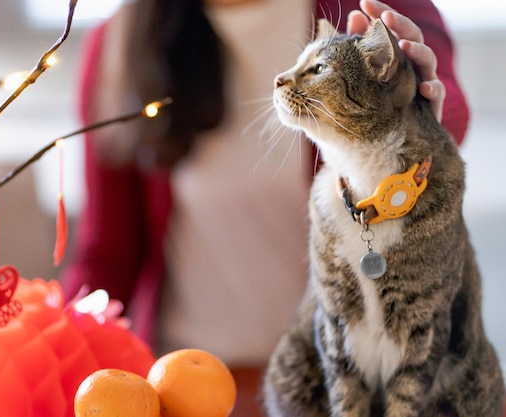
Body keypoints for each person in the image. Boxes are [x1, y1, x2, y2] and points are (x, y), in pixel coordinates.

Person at [61, 0, 469, 415]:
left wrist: (415, 113)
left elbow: (448, 103)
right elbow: (107, 257)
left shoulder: (373, 11)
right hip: (185, 389)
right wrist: (52, 357)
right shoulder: (121, 42)